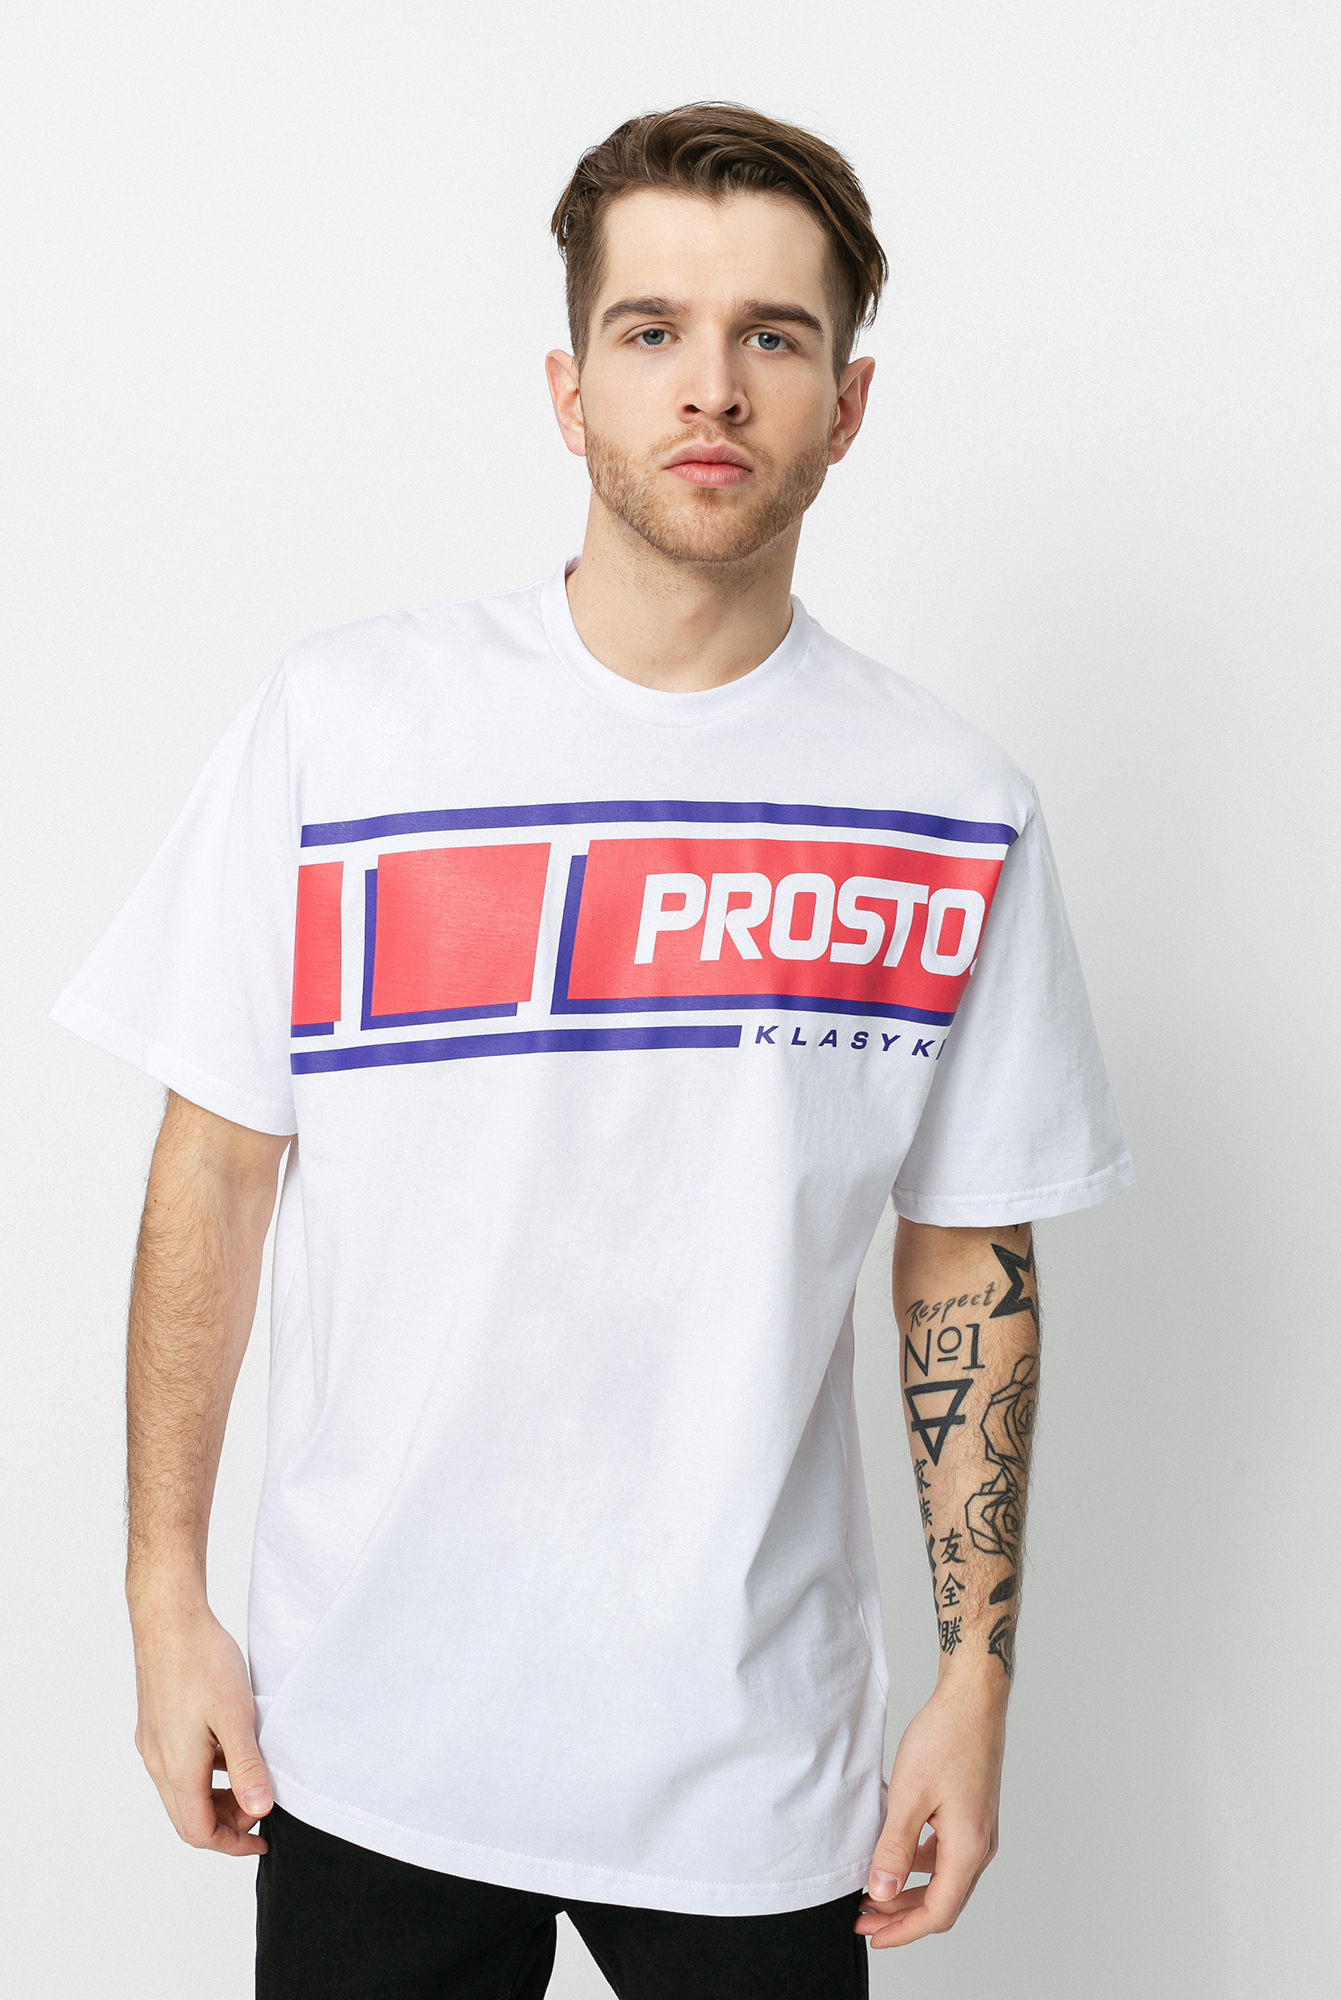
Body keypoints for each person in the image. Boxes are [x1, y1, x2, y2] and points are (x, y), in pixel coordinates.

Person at [53, 102, 1132, 1999]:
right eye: (652, 331)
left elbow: (968, 1254)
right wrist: (162, 1595)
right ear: (570, 392)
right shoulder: (346, 730)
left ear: (848, 404)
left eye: (772, 336)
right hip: (368, 1733)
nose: (711, 385)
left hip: (753, 1765)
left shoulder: (951, 806)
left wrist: (977, 1681)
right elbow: (213, 1169)